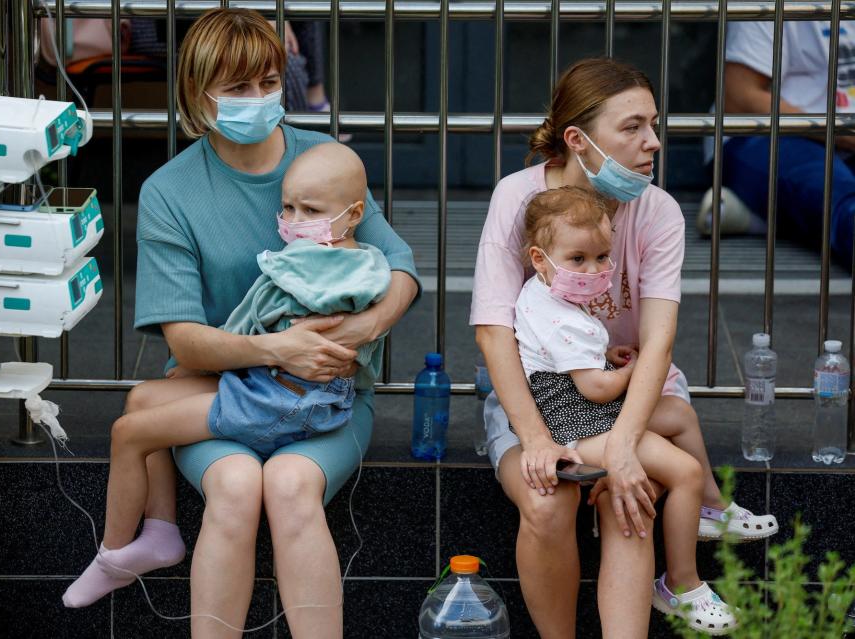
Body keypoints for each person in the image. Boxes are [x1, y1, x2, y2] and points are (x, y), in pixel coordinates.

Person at [86, 9, 418, 637]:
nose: (260, 98)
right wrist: (278, 349)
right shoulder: (170, 191)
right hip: (219, 387)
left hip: (332, 394)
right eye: (238, 87)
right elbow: (182, 339)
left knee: (292, 486)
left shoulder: (323, 159)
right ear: (196, 94)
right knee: (236, 485)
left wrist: (359, 330)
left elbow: (399, 266)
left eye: (269, 82)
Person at [471, 57, 777, 637]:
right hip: (543, 399)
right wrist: (535, 438)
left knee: (626, 499)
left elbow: (658, 343)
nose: (653, 142)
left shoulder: (657, 210)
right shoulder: (518, 197)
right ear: (578, 140)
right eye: (633, 127)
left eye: (654, 124)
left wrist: (626, 447)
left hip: (636, 390)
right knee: (545, 504)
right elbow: (493, 329)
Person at [61, 142, 391, 608]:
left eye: (310, 210)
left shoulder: (295, 265)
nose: (294, 222)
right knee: (144, 397)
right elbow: (392, 287)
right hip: (310, 396)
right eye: (288, 208)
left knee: (129, 432)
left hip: (272, 400)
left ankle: (113, 555)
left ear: (354, 212)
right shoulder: (371, 266)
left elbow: (246, 321)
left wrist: (200, 362)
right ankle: (160, 532)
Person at [516, 186, 736, 634]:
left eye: (602, 257)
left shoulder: (552, 298)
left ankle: (712, 507)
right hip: (579, 423)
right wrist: (633, 370)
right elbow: (595, 389)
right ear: (540, 259)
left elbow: (578, 356)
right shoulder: (556, 313)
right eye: (578, 259)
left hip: (586, 410)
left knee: (678, 414)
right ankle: (681, 584)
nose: (594, 269)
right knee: (684, 472)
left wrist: (610, 353)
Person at [698, 19, 855, 267]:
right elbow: (739, 99)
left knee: (828, 198)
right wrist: (846, 132)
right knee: (844, 203)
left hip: (842, 143)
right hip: (766, 136)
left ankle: (762, 215)